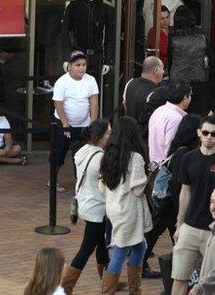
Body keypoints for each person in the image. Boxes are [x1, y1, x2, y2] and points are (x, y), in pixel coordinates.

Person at [171, 116, 215, 295]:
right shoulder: (188, 159)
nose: (209, 136)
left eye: (213, 133)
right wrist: (180, 224)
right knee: (179, 277)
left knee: (210, 282)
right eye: (205, 132)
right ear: (199, 133)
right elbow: (184, 192)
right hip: (190, 227)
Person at [142, 114, 201, 279]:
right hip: (171, 205)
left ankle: (139, 264)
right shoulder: (184, 154)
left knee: (155, 234)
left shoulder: (178, 149)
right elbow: (178, 185)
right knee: (179, 240)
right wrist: (180, 210)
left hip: (166, 205)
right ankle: (183, 273)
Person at [99, 117, 152, 294]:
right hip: (129, 210)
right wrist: (148, 175)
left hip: (114, 208)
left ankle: (134, 290)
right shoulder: (135, 157)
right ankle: (113, 291)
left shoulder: (108, 155)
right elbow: (138, 189)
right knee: (120, 251)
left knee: (139, 245)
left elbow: (102, 185)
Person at [61, 119, 115, 294]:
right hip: (97, 208)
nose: (110, 135)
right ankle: (66, 287)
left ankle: (107, 282)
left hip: (85, 203)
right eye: (108, 133)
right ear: (99, 137)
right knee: (86, 249)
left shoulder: (82, 151)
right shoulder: (100, 157)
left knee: (101, 245)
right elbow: (108, 183)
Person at [50, 50, 100, 192]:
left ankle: (81, 182)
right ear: (70, 66)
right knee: (59, 154)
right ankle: (52, 181)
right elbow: (58, 103)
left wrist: (93, 124)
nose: (81, 68)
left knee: (82, 154)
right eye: (78, 65)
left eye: (84, 65)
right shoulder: (62, 81)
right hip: (64, 123)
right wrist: (65, 123)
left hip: (84, 124)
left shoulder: (90, 80)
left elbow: (94, 102)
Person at [168, 6, 208, 114]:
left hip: (177, 80)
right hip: (198, 79)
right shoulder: (202, 36)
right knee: (196, 110)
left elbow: (169, 60)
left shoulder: (173, 37)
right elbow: (210, 58)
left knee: (177, 111)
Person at [148, 80, 192, 164]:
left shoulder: (159, 110)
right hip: (165, 168)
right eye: (190, 95)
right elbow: (170, 150)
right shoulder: (176, 119)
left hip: (154, 165)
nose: (190, 98)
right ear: (185, 98)